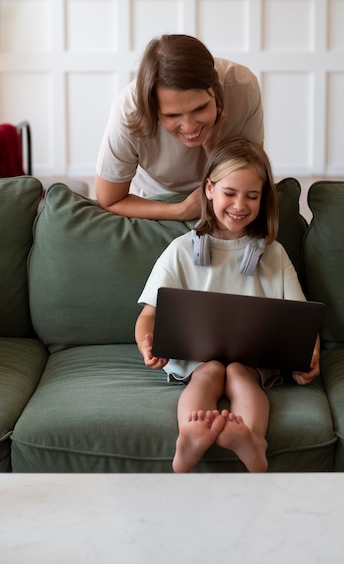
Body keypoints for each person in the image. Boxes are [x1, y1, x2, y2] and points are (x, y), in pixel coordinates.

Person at [135, 137, 320, 473]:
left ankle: (252, 440)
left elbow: (301, 320)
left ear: (263, 198)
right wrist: (147, 344)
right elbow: (149, 315)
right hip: (195, 360)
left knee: (239, 374)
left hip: (252, 360)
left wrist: (310, 355)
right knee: (208, 373)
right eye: (230, 193)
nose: (240, 205)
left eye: (252, 196)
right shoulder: (180, 250)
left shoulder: (273, 254)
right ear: (209, 189)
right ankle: (190, 434)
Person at [96, 34, 264, 220]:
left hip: (230, 195)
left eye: (200, 108)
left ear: (216, 89)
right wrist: (181, 210)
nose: (190, 126)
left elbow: (253, 176)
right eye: (172, 115)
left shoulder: (243, 87)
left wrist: (212, 144)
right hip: (156, 202)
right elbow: (109, 200)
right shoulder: (128, 111)